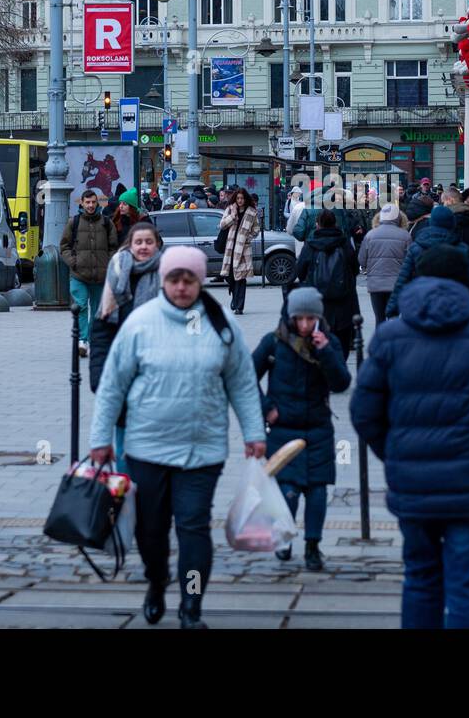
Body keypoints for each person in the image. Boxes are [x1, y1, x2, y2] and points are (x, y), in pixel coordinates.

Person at [350, 244, 469, 629]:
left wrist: (397, 454)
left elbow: (362, 411)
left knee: (420, 578)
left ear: (416, 276)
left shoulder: (390, 335)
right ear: (464, 281)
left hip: (414, 484)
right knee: (467, 586)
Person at [89, 245, 266, 629]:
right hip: (146, 448)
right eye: (174, 279)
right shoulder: (140, 323)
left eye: (189, 280)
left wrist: (254, 432)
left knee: (193, 529)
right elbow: (112, 386)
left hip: (201, 451)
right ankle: (156, 582)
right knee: (150, 531)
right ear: (164, 281)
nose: (182, 287)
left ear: (200, 281)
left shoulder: (220, 324)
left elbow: (242, 383)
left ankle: (191, 603)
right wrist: (101, 439)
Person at [252, 287, 352, 571]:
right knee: (289, 491)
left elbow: (342, 383)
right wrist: (266, 408)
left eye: (311, 319)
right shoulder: (273, 342)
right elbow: (247, 377)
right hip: (284, 429)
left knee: (318, 491)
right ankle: (283, 537)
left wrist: (327, 352)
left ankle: (312, 546)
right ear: (290, 317)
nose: (305, 325)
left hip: (319, 428)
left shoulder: (327, 342)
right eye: (300, 319)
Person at [89, 221, 165, 468]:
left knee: (155, 444)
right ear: (130, 245)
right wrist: (98, 375)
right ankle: (126, 492)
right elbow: (102, 329)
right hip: (123, 372)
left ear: (157, 245)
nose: (143, 247)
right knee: (123, 444)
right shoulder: (118, 269)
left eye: (148, 242)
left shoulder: (168, 275)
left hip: (157, 373)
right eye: (138, 242)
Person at [387, 204, 469, 318]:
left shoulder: (417, 247)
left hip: (423, 304)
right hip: (455, 306)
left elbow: (403, 279)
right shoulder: (462, 249)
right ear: (452, 223)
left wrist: (392, 310)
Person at [293, 208, 360, 355]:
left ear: (317, 225)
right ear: (335, 224)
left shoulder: (310, 245)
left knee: (318, 346)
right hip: (343, 303)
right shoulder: (344, 244)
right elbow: (355, 269)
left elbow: (300, 272)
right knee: (342, 348)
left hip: (317, 303)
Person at [60, 189, 117, 357]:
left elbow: (114, 247)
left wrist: (109, 263)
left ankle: (93, 340)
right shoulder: (74, 222)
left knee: (98, 310)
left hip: (101, 275)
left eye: (93, 202)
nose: (91, 205)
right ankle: (82, 340)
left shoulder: (107, 223)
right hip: (79, 275)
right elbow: (64, 246)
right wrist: (73, 262)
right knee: (82, 306)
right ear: (82, 203)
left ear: (97, 203)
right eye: (87, 202)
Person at [357, 203, 412, 324]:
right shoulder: (405, 236)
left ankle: (380, 341)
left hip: (376, 284)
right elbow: (410, 261)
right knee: (395, 318)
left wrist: (368, 268)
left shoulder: (370, 235)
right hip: (397, 284)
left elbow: (361, 260)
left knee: (379, 319)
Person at [219, 187, 259, 315]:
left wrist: (248, 237)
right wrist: (233, 216)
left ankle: (239, 306)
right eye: (238, 198)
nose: (240, 200)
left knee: (241, 279)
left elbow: (256, 229)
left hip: (243, 249)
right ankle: (234, 299)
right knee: (230, 277)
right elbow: (222, 224)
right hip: (230, 248)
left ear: (246, 199)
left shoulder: (252, 212)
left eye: (242, 198)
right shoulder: (230, 209)